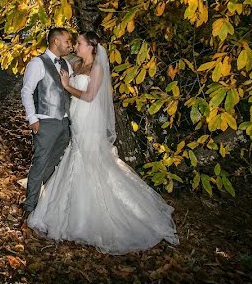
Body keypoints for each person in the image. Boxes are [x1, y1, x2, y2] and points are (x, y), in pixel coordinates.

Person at [27, 31, 179, 254]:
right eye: (74, 43)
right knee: (75, 156)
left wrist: (67, 85)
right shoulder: (75, 64)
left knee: (89, 159)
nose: (75, 46)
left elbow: (89, 96)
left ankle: (99, 212)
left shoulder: (97, 68)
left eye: (79, 43)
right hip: (75, 118)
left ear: (90, 46)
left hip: (89, 118)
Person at [20, 27, 74, 220]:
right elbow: (27, 91)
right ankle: (30, 205)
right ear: (55, 42)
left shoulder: (67, 64)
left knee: (56, 163)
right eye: (67, 41)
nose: (70, 44)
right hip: (46, 122)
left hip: (64, 123)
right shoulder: (37, 63)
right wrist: (32, 119)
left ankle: (47, 202)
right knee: (40, 163)